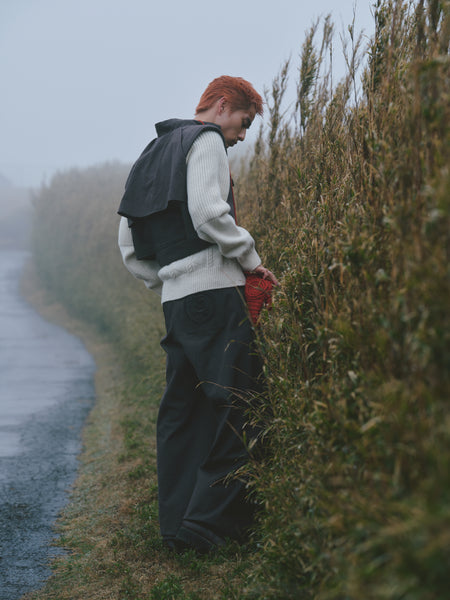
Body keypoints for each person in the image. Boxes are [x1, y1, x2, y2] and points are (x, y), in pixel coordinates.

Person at [117, 75, 278, 553]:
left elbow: (127, 244)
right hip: (214, 293)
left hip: (177, 302)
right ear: (223, 105)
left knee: (182, 415)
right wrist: (250, 259)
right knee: (244, 406)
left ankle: (177, 527)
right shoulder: (205, 140)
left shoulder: (154, 150)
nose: (242, 136)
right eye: (244, 123)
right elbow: (209, 214)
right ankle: (209, 526)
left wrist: (166, 279)